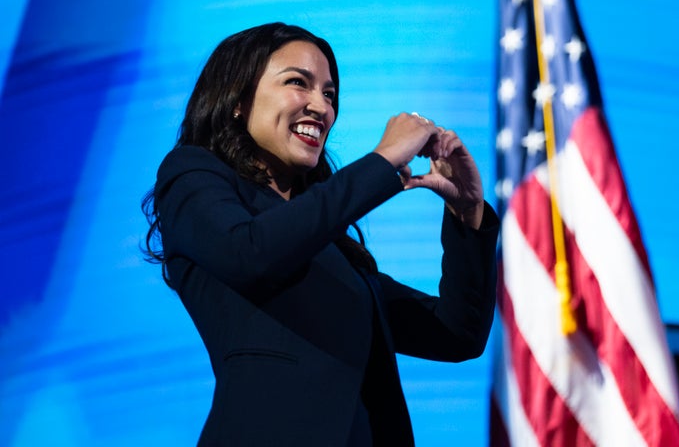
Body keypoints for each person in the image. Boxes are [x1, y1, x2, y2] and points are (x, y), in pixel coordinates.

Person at [142, 22, 500, 446]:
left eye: (329, 95)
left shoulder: (331, 252)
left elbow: (455, 332)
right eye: (298, 83)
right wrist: (383, 160)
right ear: (238, 99)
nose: (321, 107)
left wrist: (467, 213)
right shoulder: (192, 174)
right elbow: (250, 253)